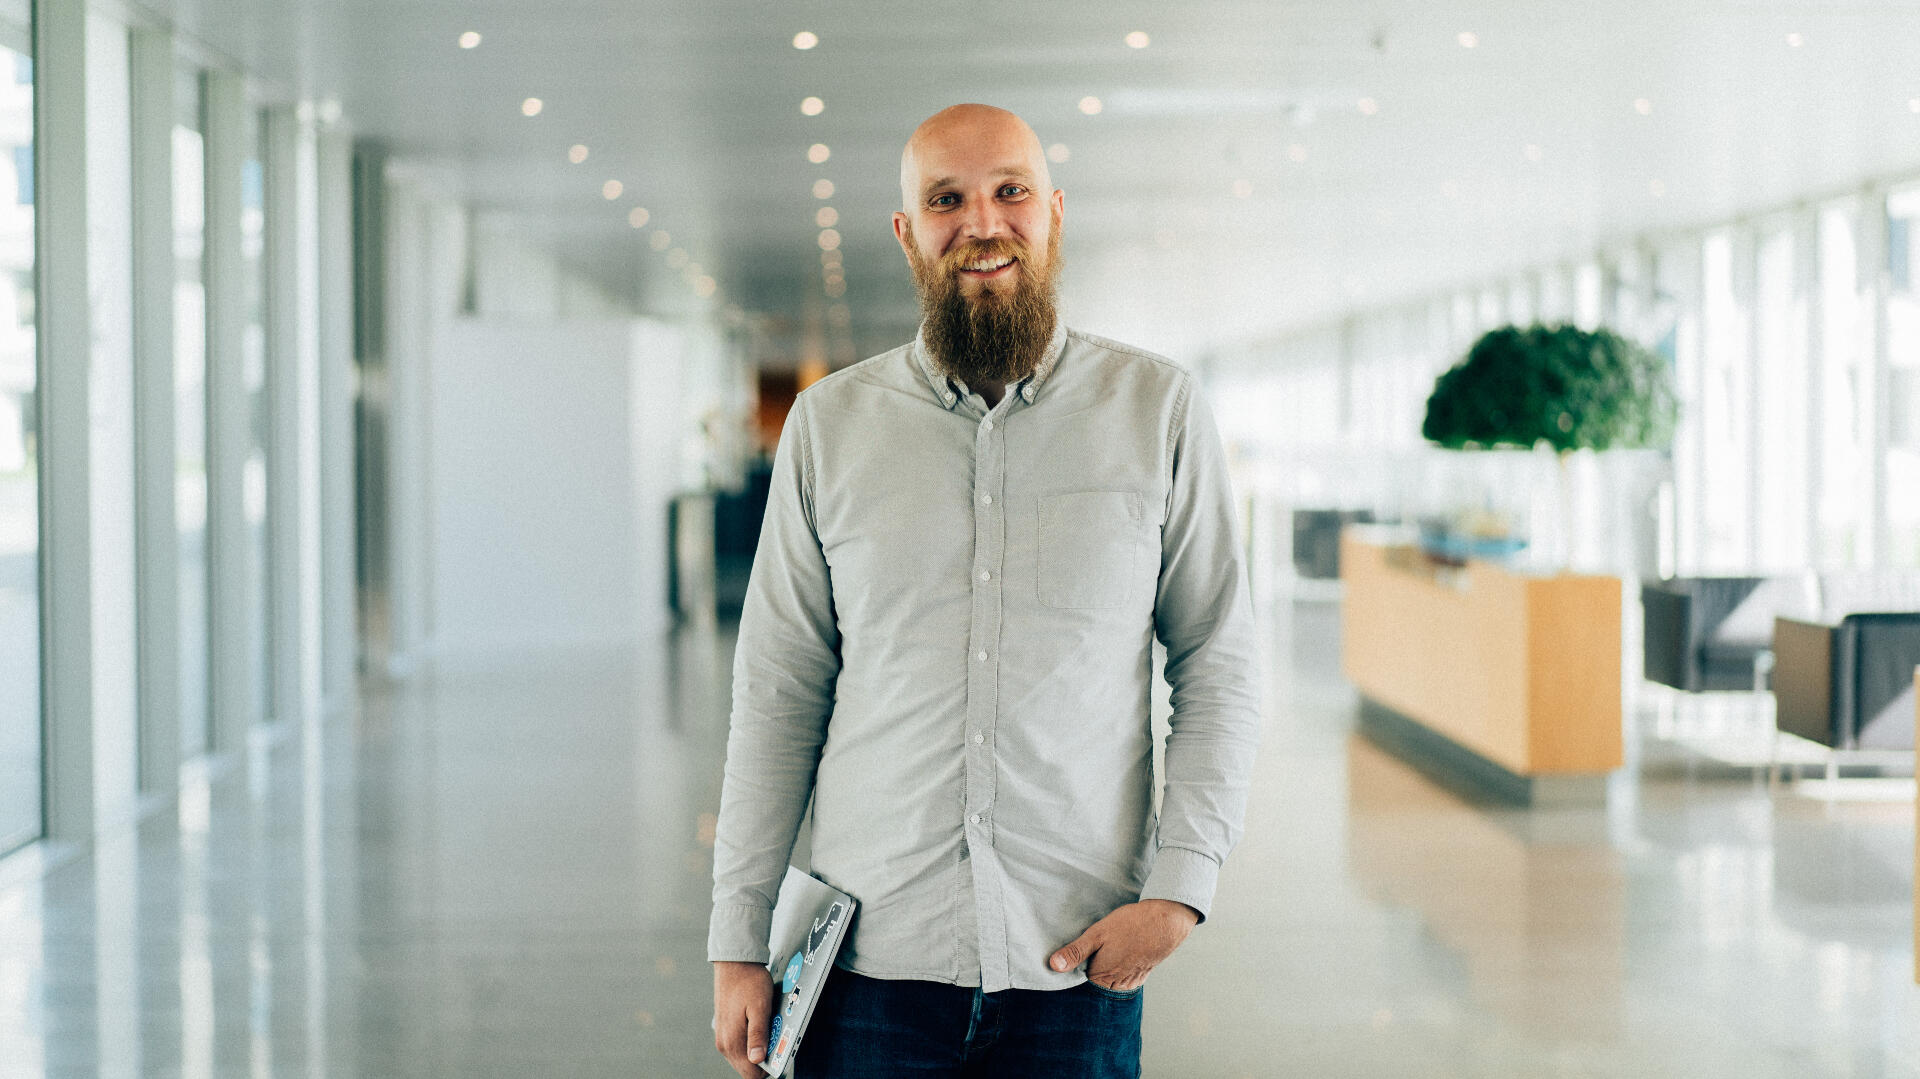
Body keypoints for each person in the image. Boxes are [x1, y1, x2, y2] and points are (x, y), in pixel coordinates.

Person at [709, 103, 1261, 1079]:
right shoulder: (829, 425)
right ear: (906, 231)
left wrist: (1180, 892)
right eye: (946, 199)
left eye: (1009, 191)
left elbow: (1219, 658)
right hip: (869, 969)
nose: (982, 222)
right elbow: (778, 688)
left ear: (1052, 211)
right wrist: (737, 940)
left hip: (1076, 964)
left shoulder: (1158, 410)